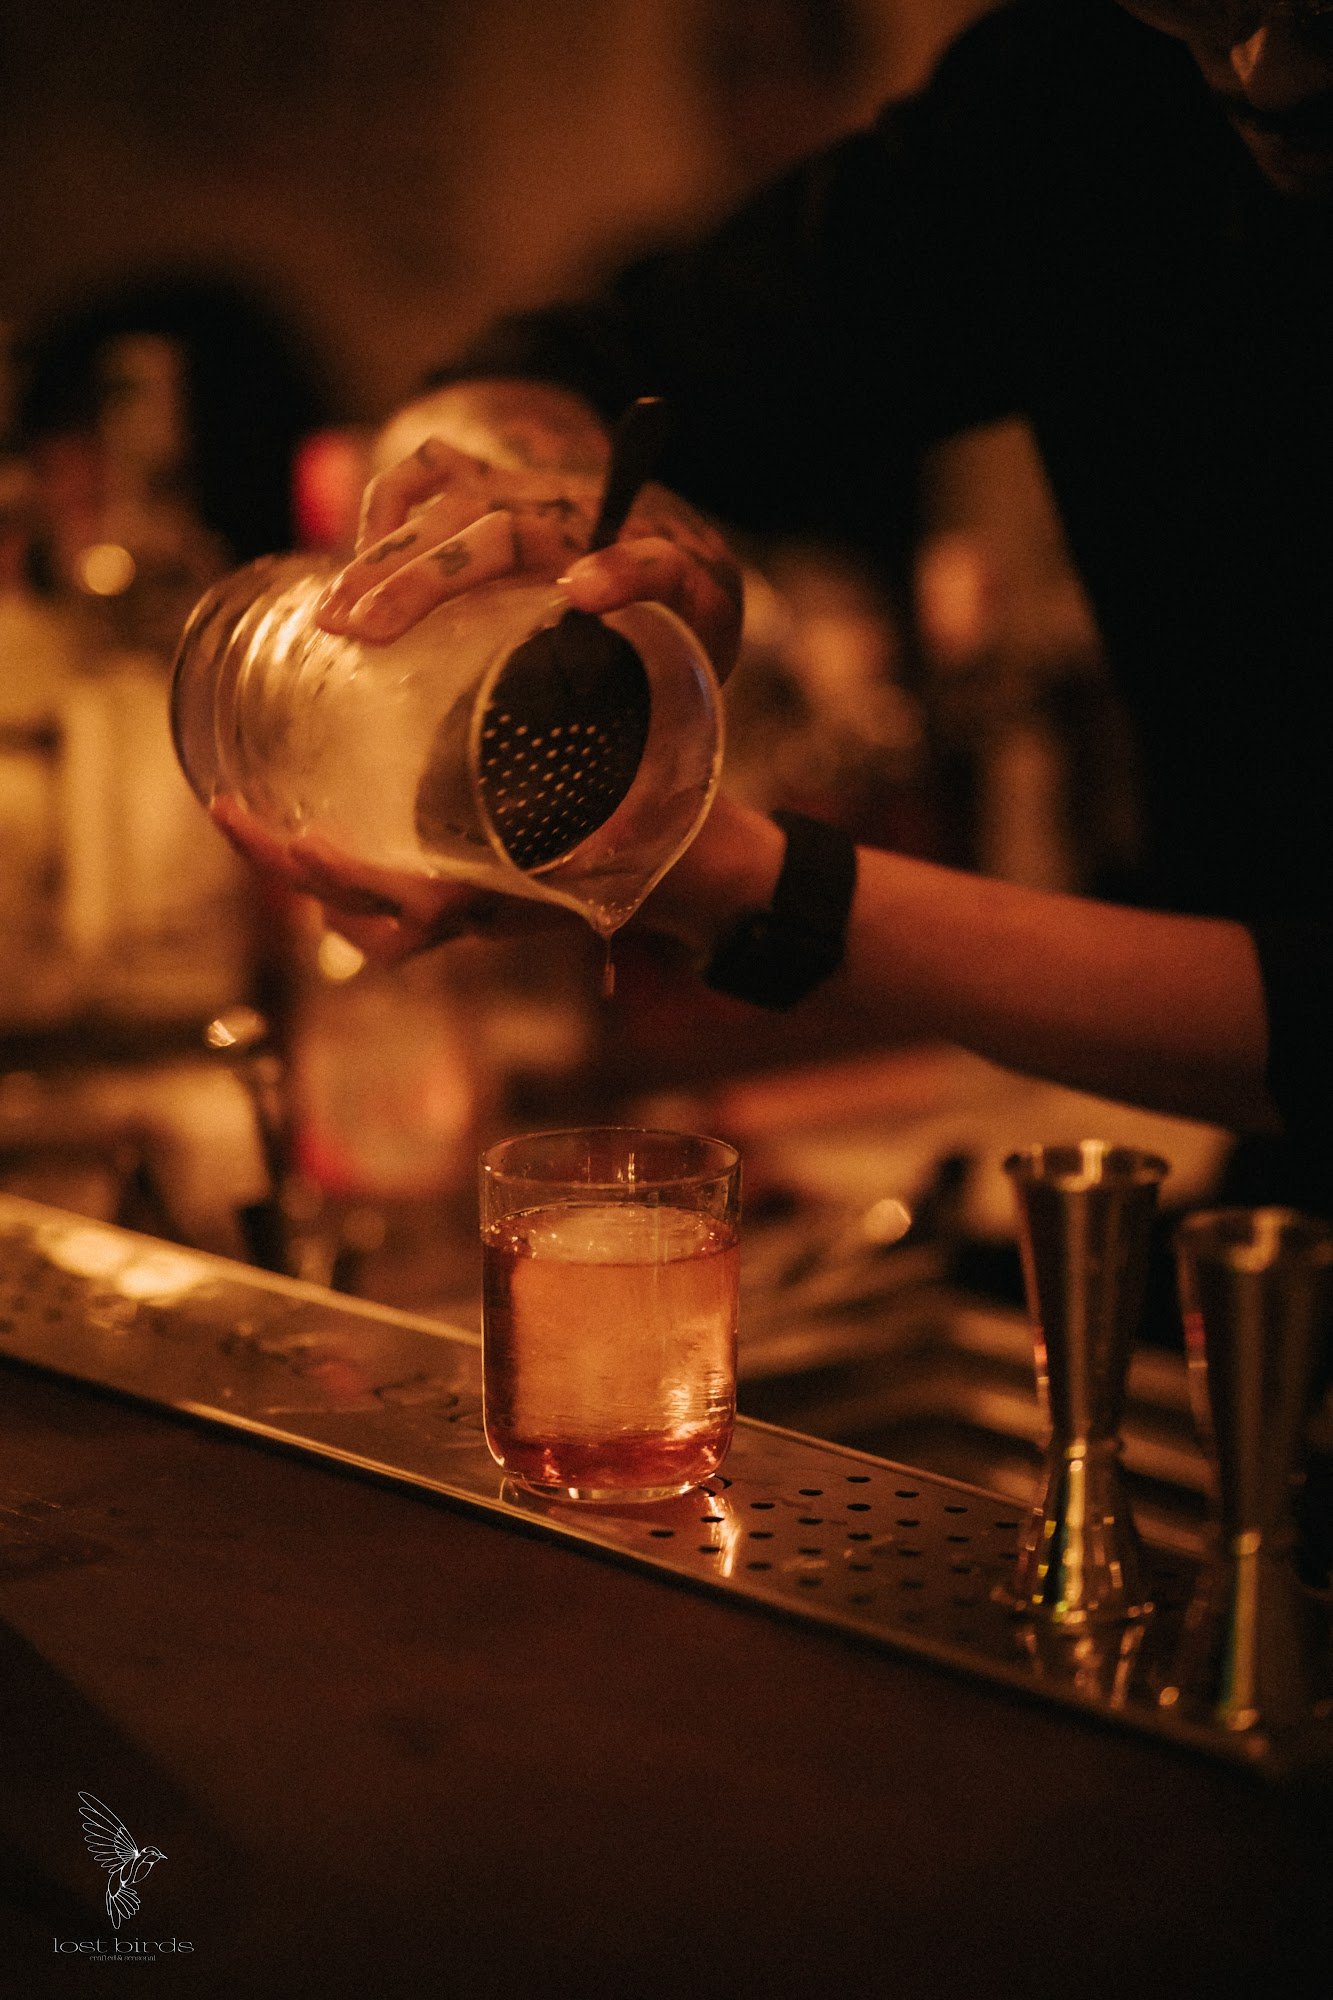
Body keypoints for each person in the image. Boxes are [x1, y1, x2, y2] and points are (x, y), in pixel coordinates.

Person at [230, 0, 1333, 1214]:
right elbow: (551, 365)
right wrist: (561, 515)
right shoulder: (1090, 94)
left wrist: (756, 884)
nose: (1265, 66)